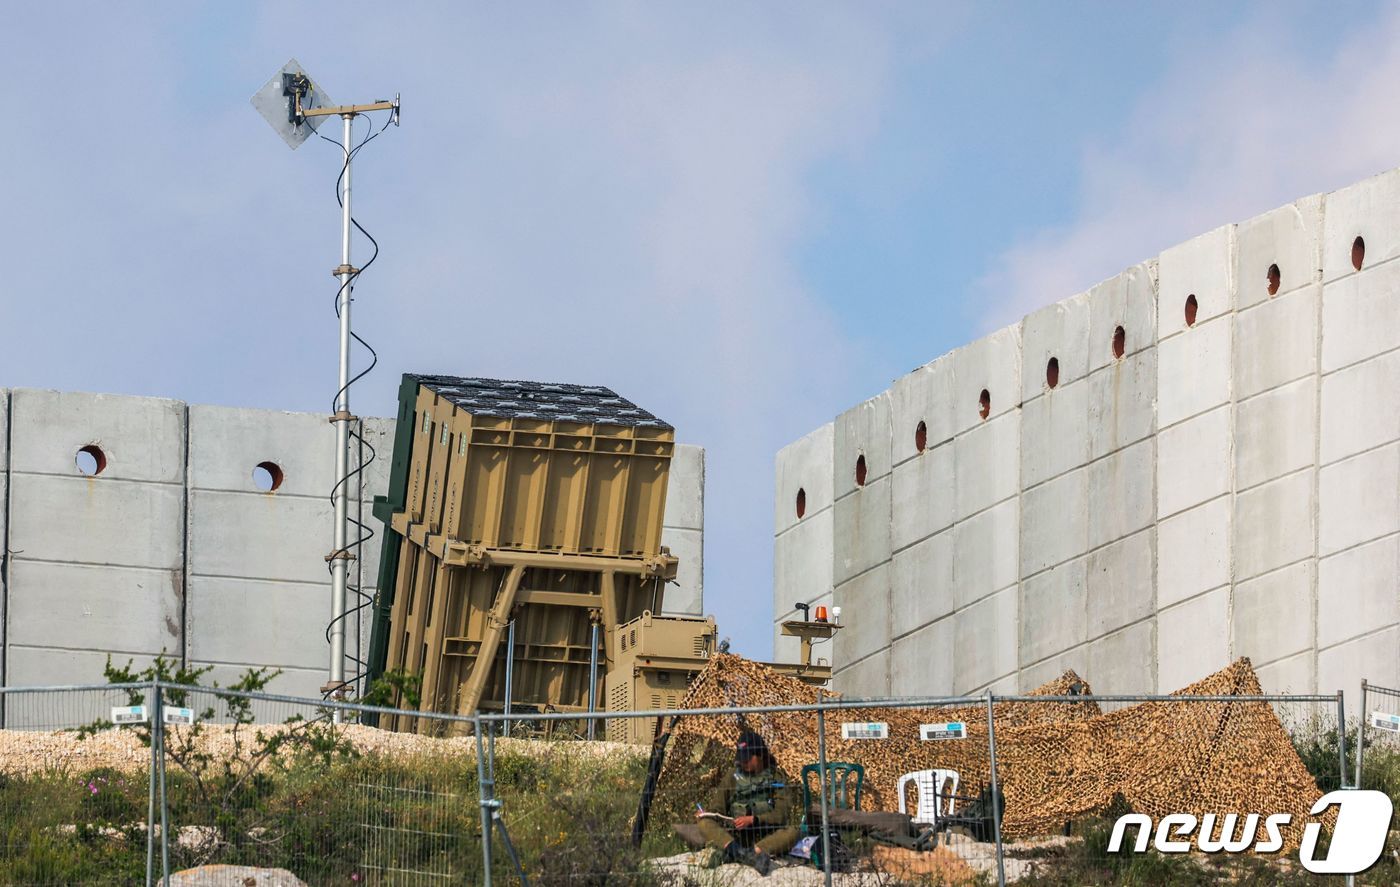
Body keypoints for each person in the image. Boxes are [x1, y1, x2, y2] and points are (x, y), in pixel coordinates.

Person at [695, 729, 799, 875]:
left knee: (793, 831)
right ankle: (742, 853)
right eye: (741, 758)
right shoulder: (732, 776)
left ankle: (746, 853)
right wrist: (706, 813)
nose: (743, 762)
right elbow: (717, 808)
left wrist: (754, 820)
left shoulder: (776, 778)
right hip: (736, 837)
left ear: (760, 755)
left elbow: (781, 814)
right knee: (704, 823)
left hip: (765, 836)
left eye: (748, 758)